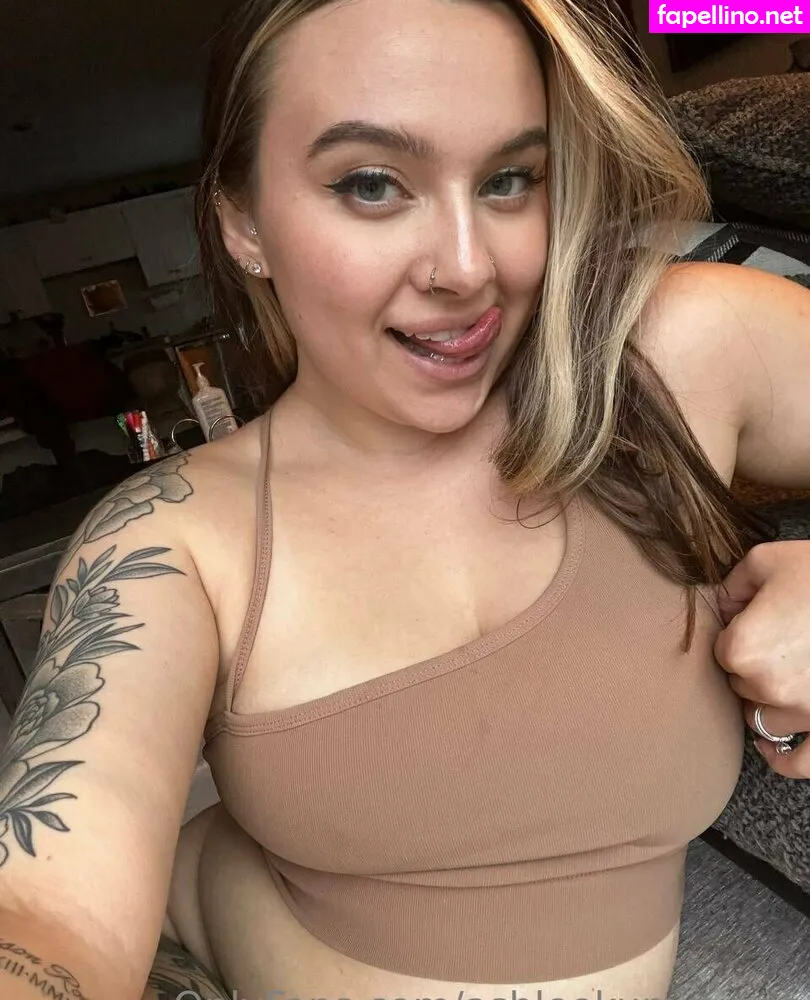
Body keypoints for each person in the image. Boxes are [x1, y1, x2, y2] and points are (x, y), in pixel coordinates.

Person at [0, 2, 808, 999]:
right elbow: (51, 907)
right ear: (243, 221)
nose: (468, 268)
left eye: (509, 179)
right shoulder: (170, 535)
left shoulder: (681, 352)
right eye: (372, 184)